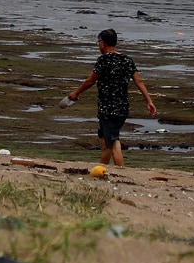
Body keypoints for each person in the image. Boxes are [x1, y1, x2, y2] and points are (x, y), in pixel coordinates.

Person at [65, 28, 156, 167]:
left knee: (112, 143)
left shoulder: (104, 60)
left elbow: (91, 80)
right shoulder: (127, 60)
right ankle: (104, 169)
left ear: (103, 43)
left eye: (99, 42)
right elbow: (139, 81)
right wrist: (149, 101)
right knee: (106, 139)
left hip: (108, 108)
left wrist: (76, 93)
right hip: (122, 108)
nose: (98, 45)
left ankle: (116, 170)